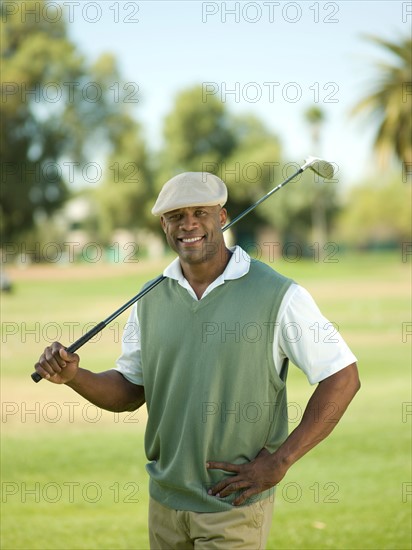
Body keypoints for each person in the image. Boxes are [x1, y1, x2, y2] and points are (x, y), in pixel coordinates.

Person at [35, 172, 360, 550]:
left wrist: (280, 461)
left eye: (199, 212)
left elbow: (343, 376)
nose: (188, 224)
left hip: (233, 507)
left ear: (222, 218)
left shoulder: (279, 294)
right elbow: (130, 390)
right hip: (165, 504)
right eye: (175, 216)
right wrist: (76, 376)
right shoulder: (150, 298)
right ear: (163, 225)